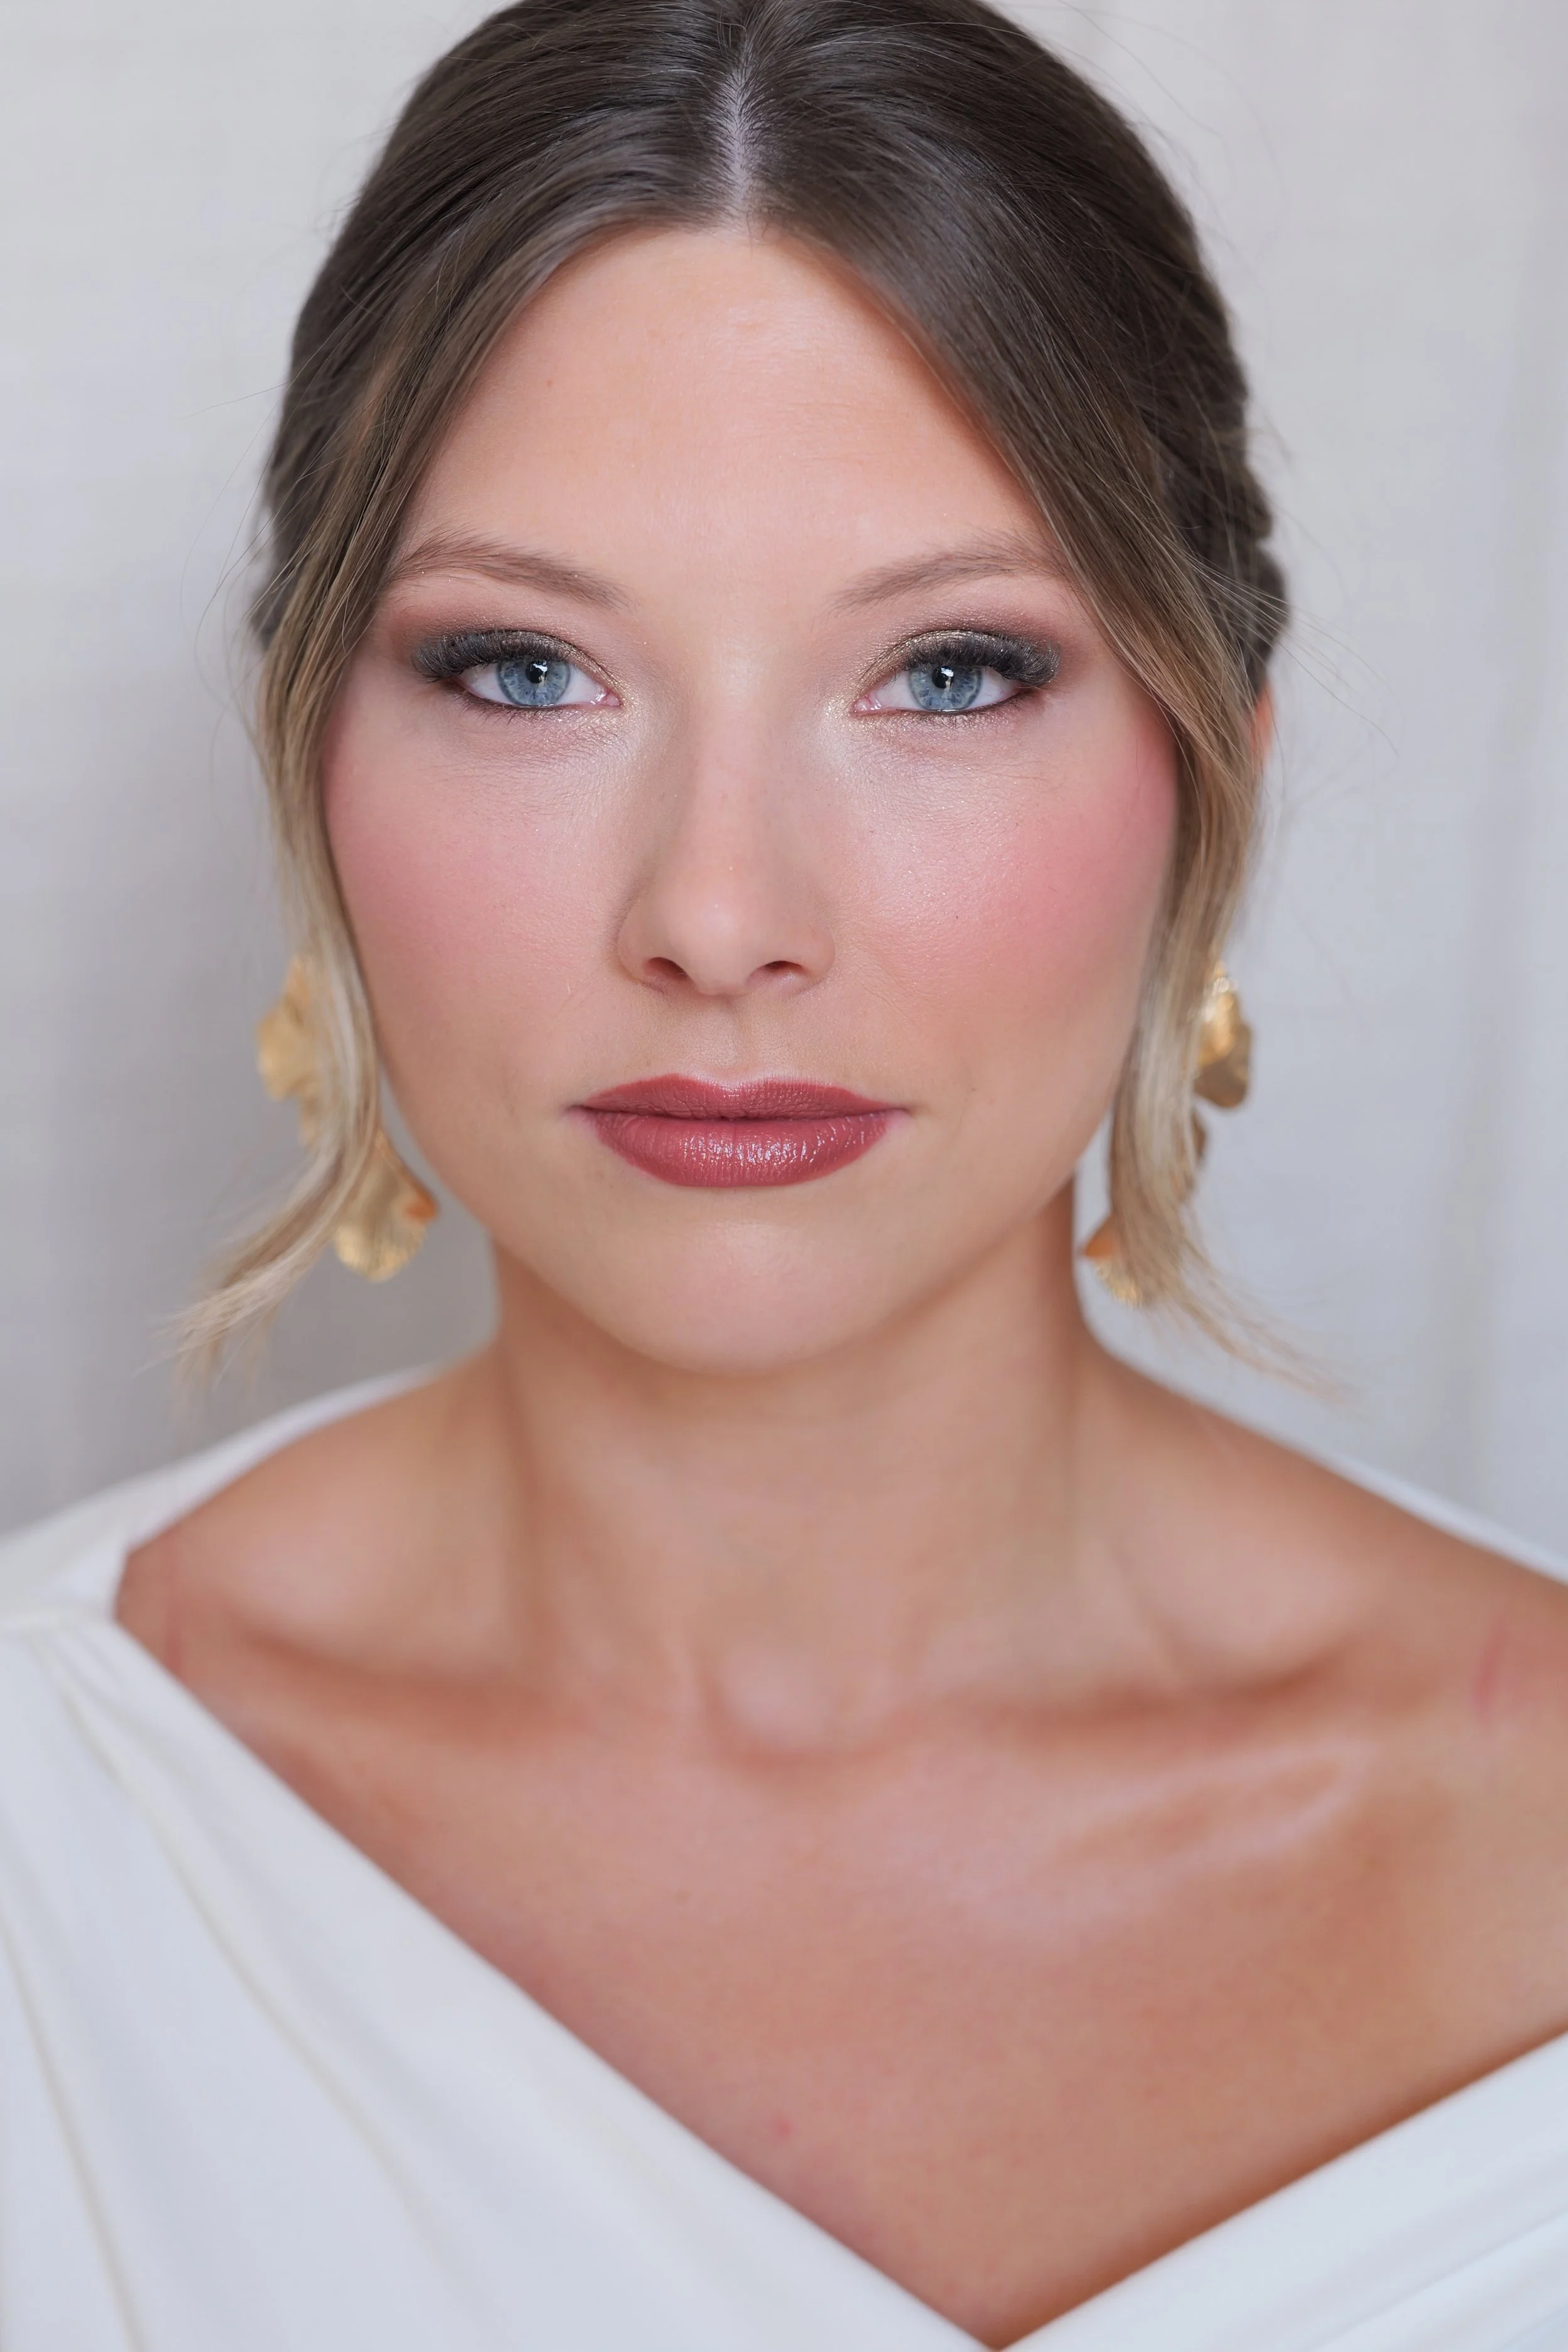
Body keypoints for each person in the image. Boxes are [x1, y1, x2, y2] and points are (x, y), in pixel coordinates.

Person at [4, 1, 1568, 2344]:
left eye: (944, 673)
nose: (719, 913)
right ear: (306, 751)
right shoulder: (55, 1836)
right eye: (525, 671)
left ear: (1208, 782)